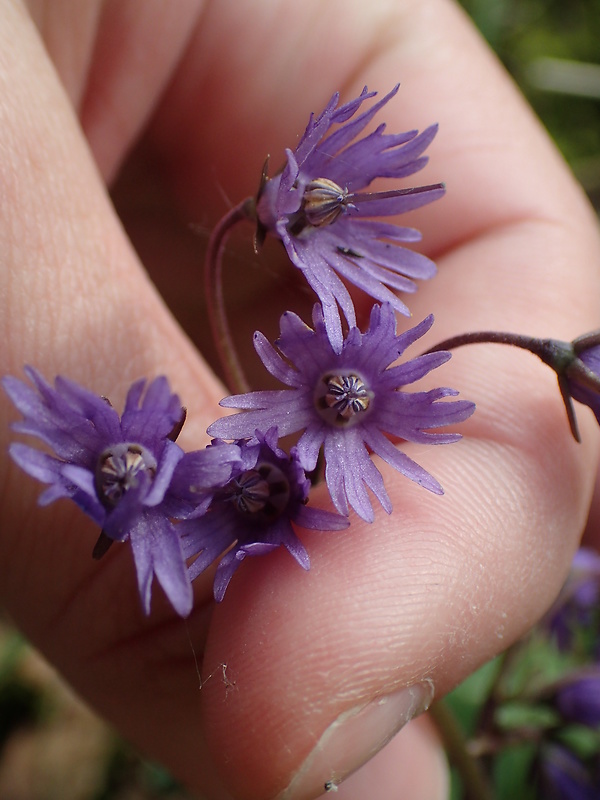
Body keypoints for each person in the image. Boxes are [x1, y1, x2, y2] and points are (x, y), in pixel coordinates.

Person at [1, 1, 599, 798]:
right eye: (307, 199)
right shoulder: (246, 443)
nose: (349, 396)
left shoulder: (318, 395)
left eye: (356, 394)